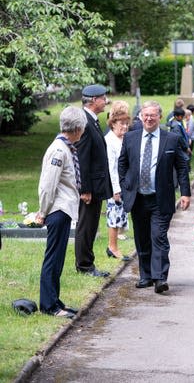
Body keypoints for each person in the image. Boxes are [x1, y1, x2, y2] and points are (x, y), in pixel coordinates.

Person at [118, 101, 191, 294]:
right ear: (141, 116)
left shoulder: (171, 139)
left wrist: (185, 193)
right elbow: (122, 164)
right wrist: (125, 186)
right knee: (142, 238)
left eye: (153, 115)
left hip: (161, 198)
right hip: (137, 197)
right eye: (145, 115)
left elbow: (182, 167)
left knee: (158, 236)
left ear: (159, 117)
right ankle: (146, 275)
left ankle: (160, 278)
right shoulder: (130, 138)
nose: (149, 118)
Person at [36, 106, 87, 318]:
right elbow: (48, 185)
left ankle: (55, 301)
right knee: (53, 258)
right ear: (77, 128)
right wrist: (42, 211)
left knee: (58, 259)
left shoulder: (66, 147)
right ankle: (49, 306)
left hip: (64, 209)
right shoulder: (59, 149)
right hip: (57, 209)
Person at [75, 84, 112, 278]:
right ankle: (84, 266)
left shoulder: (92, 120)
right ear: (93, 100)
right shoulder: (86, 122)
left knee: (91, 224)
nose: (105, 100)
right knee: (86, 225)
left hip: (96, 184)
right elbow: (83, 158)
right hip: (90, 187)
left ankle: (87, 263)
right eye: (103, 97)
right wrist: (85, 189)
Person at [104, 102, 131, 262]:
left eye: (127, 123)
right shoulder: (110, 141)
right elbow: (111, 167)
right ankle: (112, 247)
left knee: (120, 215)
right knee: (114, 215)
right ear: (113, 123)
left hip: (124, 184)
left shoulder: (123, 139)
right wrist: (115, 189)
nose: (125, 127)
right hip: (114, 185)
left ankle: (114, 247)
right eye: (122, 124)